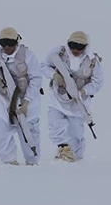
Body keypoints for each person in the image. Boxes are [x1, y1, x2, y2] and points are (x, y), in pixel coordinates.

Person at [0, 27, 42, 165]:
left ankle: (32, 162)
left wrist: (27, 101)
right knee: (1, 131)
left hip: (27, 101)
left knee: (28, 133)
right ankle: (9, 161)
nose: (7, 47)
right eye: (3, 43)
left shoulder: (27, 55)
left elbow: (36, 79)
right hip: (6, 101)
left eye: (10, 43)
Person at [41, 31, 104, 162]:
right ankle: (63, 148)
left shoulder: (92, 60)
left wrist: (84, 92)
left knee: (76, 135)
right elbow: (44, 65)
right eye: (73, 45)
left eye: (79, 47)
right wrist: (54, 75)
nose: (75, 49)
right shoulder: (59, 52)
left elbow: (98, 81)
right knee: (55, 125)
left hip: (78, 103)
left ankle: (76, 159)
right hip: (57, 98)